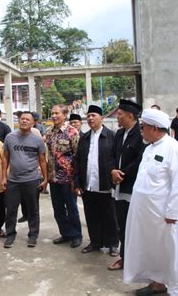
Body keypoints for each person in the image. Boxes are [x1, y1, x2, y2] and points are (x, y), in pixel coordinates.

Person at [123, 108, 178, 296]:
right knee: (153, 251)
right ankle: (157, 284)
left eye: (143, 127)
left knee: (172, 252)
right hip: (147, 215)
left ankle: (175, 290)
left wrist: (172, 213)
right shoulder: (149, 149)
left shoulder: (174, 149)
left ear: (154, 128)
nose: (141, 130)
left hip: (165, 215)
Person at [74, 105, 118, 256]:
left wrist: (115, 183)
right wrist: (78, 183)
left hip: (106, 185)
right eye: (89, 116)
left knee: (109, 216)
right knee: (91, 215)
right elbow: (78, 162)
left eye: (93, 115)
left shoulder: (111, 136)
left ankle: (112, 243)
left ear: (101, 118)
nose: (90, 118)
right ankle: (95, 242)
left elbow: (116, 160)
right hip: (89, 185)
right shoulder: (84, 138)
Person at [108, 99, 145, 271]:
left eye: (120, 114)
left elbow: (140, 161)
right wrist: (113, 171)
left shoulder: (141, 134)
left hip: (132, 187)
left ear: (130, 116)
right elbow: (111, 156)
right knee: (121, 224)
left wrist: (122, 174)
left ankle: (134, 259)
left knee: (134, 226)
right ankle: (125, 258)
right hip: (118, 186)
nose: (117, 117)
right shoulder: (119, 133)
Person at [2, 111, 48, 248]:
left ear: (33, 123)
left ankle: (33, 235)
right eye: (22, 119)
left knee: (33, 209)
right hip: (13, 181)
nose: (24, 121)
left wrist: (45, 179)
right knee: (11, 210)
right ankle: (10, 235)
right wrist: (4, 177)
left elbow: (42, 161)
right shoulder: (10, 137)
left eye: (28, 119)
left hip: (32, 180)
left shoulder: (37, 140)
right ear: (19, 120)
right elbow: (5, 158)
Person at [45, 104, 82, 249]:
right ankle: (66, 233)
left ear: (65, 115)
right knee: (58, 208)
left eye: (57, 113)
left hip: (68, 178)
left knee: (72, 208)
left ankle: (76, 235)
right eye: (52, 113)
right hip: (54, 178)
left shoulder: (72, 132)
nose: (54, 116)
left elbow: (78, 156)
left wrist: (77, 179)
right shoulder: (49, 132)